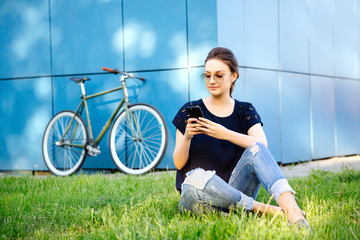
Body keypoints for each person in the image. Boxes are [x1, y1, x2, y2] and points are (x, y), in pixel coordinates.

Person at [172, 47, 309, 228]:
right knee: (196, 178)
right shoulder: (188, 110)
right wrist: (188, 137)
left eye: (219, 75)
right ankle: (264, 209)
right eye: (207, 75)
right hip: (198, 195)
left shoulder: (245, 110)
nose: (211, 81)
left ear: (233, 76)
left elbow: (262, 147)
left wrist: (224, 134)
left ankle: (292, 210)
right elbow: (179, 164)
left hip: (238, 190)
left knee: (256, 147)